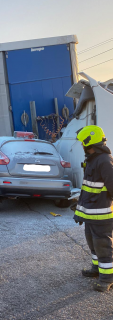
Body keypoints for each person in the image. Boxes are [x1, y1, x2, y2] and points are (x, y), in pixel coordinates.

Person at [74, 125, 113, 292]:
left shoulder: (104, 160)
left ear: (90, 143)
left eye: (83, 143)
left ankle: (106, 279)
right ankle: (97, 269)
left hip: (102, 216)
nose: (82, 146)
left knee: (103, 245)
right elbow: (89, 189)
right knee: (93, 243)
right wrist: (79, 209)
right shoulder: (92, 160)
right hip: (91, 215)